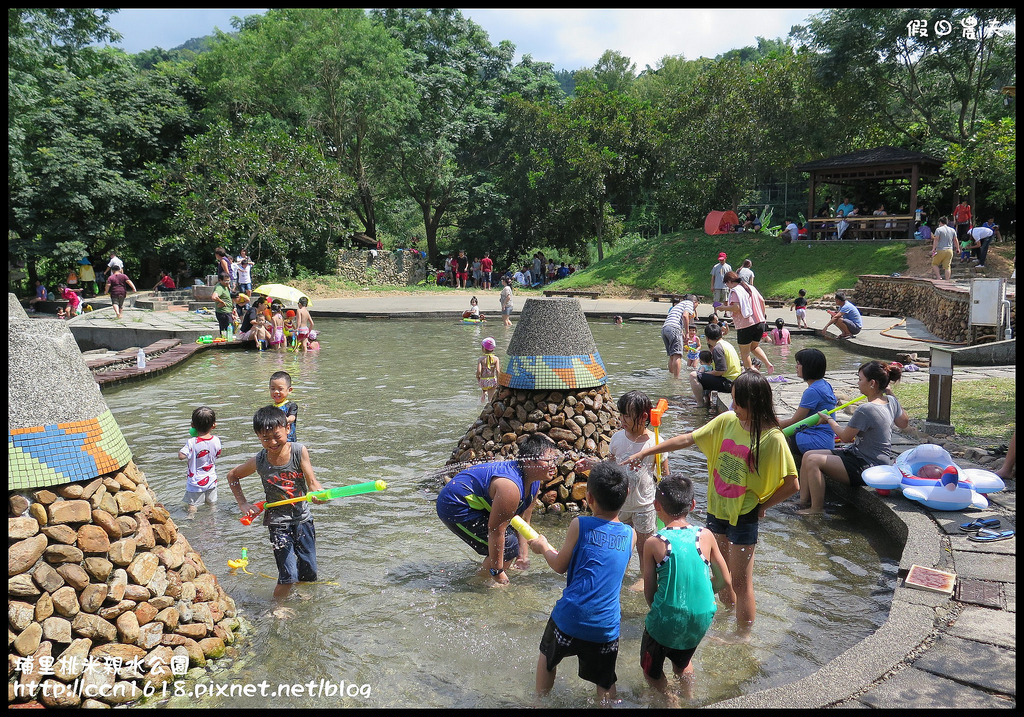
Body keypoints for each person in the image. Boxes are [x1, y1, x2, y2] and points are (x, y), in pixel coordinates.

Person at [626, 371, 798, 640]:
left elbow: (791, 483)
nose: (734, 407)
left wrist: (763, 504)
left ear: (753, 402)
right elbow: (688, 439)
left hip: (744, 515)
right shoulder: (728, 421)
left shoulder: (772, 438)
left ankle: (743, 637)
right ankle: (727, 615)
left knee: (741, 581)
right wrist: (646, 451)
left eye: (738, 402)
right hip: (718, 509)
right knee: (721, 574)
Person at [528, 460, 635, 705]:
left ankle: (539, 701)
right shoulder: (631, 535)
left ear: (588, 498)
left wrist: (544, 547)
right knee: (605, 681)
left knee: (547, 657)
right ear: (626, 495)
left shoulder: (580, 524)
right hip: (605, 625)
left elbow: (559, 566)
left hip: (570, 617)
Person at [640, 475, 731, 705]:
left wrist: (660, 612)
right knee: (682, 661)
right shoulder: (706, 535)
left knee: (650, 672)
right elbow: (725, 580)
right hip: (702, 615)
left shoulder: (654, 542)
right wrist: (709, 590)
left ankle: (671, 699)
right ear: (692, 505)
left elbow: (649, 592)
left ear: (656, 505)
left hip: (667, 617)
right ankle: (690, 697)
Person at [227, 406, 325, 611]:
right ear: (258, 437)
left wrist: (318, 494)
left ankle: (303, 597)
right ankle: (277, 607)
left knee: (309, 570)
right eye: (265, 439)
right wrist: (243, 503)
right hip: (278, 523)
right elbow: (233, 476)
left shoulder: (299, 451)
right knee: (288, 574)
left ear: (288, 428)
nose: (271, 442)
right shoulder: (260, 461)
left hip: (303, 519)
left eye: (276, 436)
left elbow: (312, 481)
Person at [436, 433, 557, 584]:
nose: (553, 465)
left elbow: (523, 521)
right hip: (454, 504)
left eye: (555, 459)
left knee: (509, 546)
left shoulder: (534, 482)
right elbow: (496, 530)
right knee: (507, 547)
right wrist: (497, 571)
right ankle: (477, 584)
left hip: (478, 502)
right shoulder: (510, 487)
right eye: (548, 460)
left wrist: (522, 555)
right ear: (528, 461)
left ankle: (491, 569)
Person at [578, 391, 668, 589]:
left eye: (627, 415)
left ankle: (645, 578)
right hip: (621, 502)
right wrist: (592, 464)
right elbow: (611, 466)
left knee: (644, 547)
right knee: (620, 543)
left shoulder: (655, 441)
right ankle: (619, 573)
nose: (622, 419)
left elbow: (665, 476)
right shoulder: (618, 438)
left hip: (644, 504)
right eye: (621, 414)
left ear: (644, 417)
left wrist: (664, 504)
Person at [797, 361, 908, 515]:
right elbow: (904, 422)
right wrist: (890, 393)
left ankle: (816, 509)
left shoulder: (866, 409)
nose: (858, 383)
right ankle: (802, 502)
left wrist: (828, 419)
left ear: (872, 383)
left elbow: (845, 437)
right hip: (860, 455)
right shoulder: (891, 401)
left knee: (813, 460)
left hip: (868, 465)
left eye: (860, 379)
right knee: (808, 455)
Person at [778, 348, 838, 468]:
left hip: (814, 441)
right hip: (827, 439)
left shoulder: (812, 391)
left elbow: (795, 421)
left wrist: (772, 424)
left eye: (799, 364)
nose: (796, 366)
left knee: (775, 438)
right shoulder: (825, 384)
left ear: (809, 367)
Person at [721, 271, 774, 374]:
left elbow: (736, 308)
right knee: (754, 347)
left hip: (745, 325)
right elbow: (762, 301)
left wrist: (723, 308)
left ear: (729, 282)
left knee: (745, 353)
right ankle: (767, 363)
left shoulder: (736, 291)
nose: (727, 286)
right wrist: (762, 316)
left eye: (726, 284)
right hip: (759, 323)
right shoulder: (751, 288)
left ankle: (749, 375)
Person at [178, 406, 222, 514]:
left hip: (195, 483)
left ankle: (191, 519)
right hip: (211, 480)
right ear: (214, 425)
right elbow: (218, 454)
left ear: (192, 425)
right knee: (212, 504)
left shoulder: (192, 442)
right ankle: (213, 519)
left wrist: (185, 452)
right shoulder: (216, 440)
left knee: (192, 505)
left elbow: (181, 456)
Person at [689, 323, 741, 407]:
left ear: (707, 338)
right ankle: (706, 400)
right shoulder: (727, 344)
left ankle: (700, 404)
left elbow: (720, 371)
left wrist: (703, 374)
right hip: (735, 381)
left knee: (693, 375)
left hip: (728, 383)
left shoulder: (717, 348)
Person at [661, 295, 697, 379]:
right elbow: (685, 316)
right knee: (677, 355)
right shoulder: (689, 303)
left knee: (672, 355)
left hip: (665, 328)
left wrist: (683, 335)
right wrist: (687, 333)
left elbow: (676, 321)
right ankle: (676, 379)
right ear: (695, 302)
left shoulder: (678, 305)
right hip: (674, 328)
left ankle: (671, 377)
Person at [270, 371, 299, 442]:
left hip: (289, 440)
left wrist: (284, 420)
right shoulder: (270, 408)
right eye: (273, 389)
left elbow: (292, 418)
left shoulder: (291, 405)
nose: (276, 392)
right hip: (275, 441)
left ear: (289, 390)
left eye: (280, 389)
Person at [476, 337, 500, 403]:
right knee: (491, 398)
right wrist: (498, 381)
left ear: (483, 348)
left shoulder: (481, 359)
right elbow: (498, 370)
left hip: (483, 380)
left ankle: (484, 395)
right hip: (492, 380)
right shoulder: (496, 359)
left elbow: (479, 371)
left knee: (484, 390)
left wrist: (478, 377)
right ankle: (489, 407)